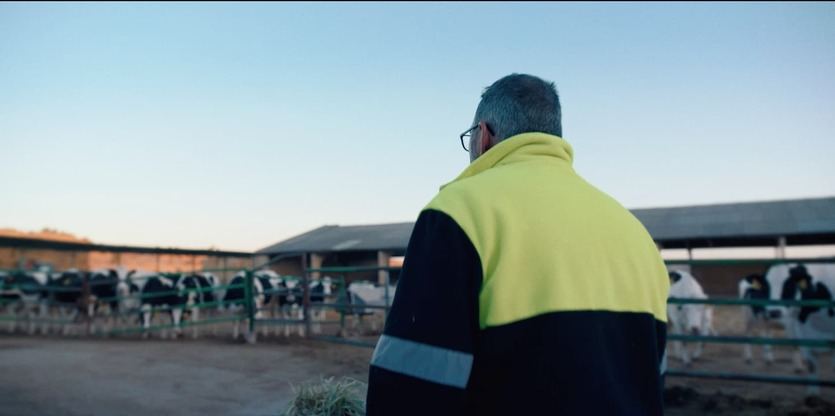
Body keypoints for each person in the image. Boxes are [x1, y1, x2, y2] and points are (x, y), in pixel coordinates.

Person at [366, 74, 669, 415]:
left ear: (483, 137)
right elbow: (650, 378)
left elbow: (412, 384)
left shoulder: (459, 212)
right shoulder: (634, 233)